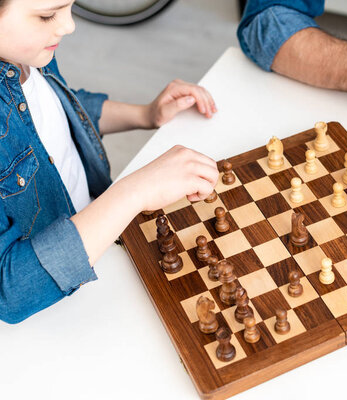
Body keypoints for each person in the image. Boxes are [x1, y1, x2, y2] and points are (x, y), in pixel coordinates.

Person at [0, 0, 219, 324]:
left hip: (101, 242)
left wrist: (146, 114)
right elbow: (11, 291)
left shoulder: (26, 53)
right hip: (57, 316)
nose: (69, 25)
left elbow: (58, 108)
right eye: (48, 15)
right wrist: (135, 191)